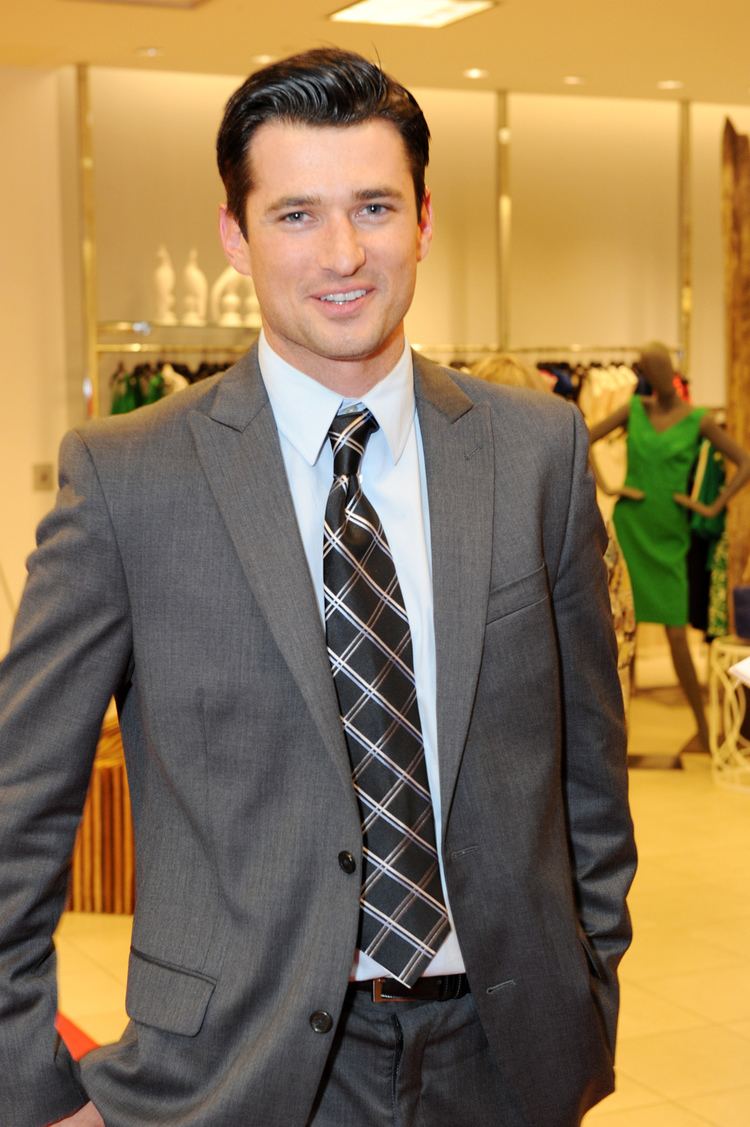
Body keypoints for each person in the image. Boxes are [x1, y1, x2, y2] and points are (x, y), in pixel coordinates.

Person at [0, 49, 636, 1127]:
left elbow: (588, 775)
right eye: (296, 214)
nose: (343, 253)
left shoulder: (537, 453)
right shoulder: (128, 479)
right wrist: (31, 1088)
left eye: (374, 206)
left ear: (424, 220)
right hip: (233, 1072)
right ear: (234, 236)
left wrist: (590, 993)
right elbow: (18, 810)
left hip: (505, 1056)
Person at [589, 340, 750, 753]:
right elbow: (578, 437)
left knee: (677, 634)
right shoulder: (634, 410)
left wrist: (711, 505)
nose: (656, 373)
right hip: (632, 526)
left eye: (660, 366)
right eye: (649, 366)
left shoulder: (697, 419)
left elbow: (745, 462)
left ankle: (703, 729)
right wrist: (609, 486)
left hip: (670, 533)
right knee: (626, 634)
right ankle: (617, 735)